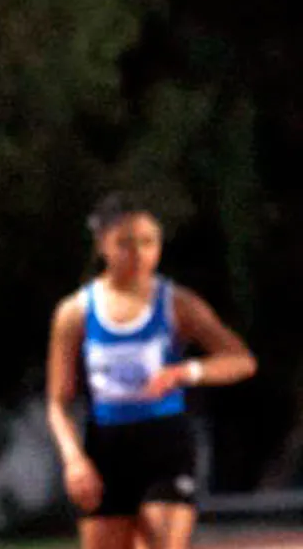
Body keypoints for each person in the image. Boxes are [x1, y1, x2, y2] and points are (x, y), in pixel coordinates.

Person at [45, 193, 258, 549]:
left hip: (164, 443)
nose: (139, 253)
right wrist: (73, 460)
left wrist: (184, 373)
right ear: (102, 246)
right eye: (125, 243)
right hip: (105, 448)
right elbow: (57, 400)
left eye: (148, 242)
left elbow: (240, 360)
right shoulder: (75, 312)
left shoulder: (177, 303)